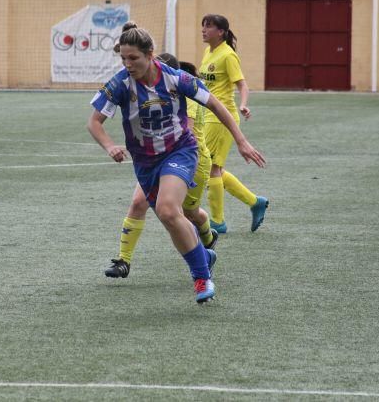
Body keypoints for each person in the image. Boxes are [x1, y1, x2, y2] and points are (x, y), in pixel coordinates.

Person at [88, 23, 266, 303]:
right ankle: (203, 254)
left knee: (169, 210)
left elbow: (217, 105)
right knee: (170, 219)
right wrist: (110, 146)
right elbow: (95, 122)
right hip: (145, 162)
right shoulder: (120, 83)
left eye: (133, 58)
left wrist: (241, 141)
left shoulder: (176, 78)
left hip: (180, 152)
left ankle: (201, 278)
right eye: (123, 58)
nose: (128, 64)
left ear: (150, 54)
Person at [104, 53, 218, 279]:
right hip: (157, 158)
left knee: (188, 213)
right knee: (139, 202)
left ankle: (207, 245)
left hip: (189, 159)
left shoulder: (180, 93)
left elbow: (185, 133)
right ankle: (123, 260)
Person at [199, 14, 268, 234]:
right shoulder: (208, 52)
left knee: (212, 168)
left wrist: (244, 104)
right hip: (206, 116)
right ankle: (255, 201)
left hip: (222, 118)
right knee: (213, 167)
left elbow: (242, 85)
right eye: (203, 26)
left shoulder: (228, 55)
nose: (203, 30)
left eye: (208, 26)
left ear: (221, 32)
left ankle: (217, 222)